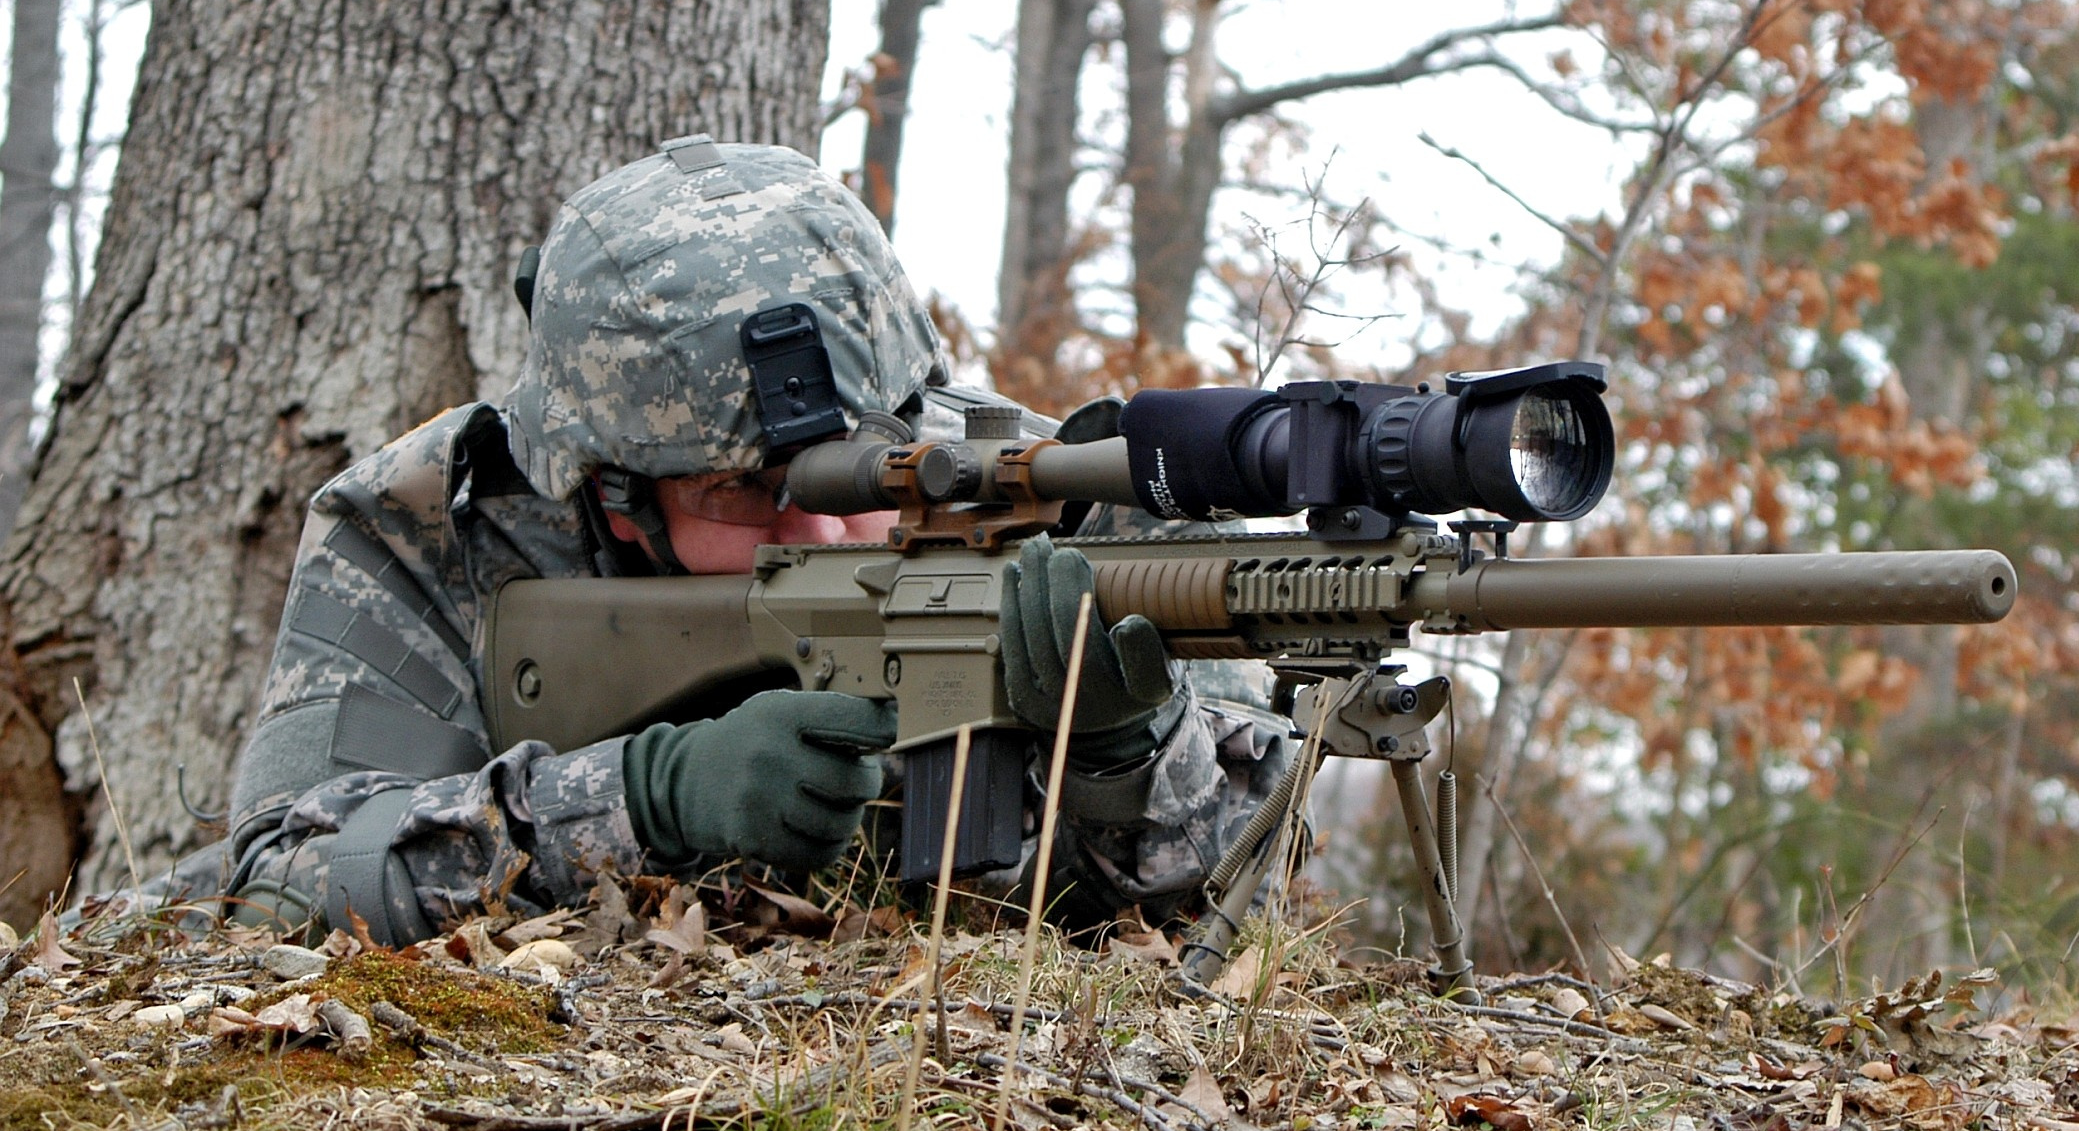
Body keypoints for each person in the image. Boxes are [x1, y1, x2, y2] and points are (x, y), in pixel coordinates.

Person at [192, 134, 1286, 943]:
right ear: (615, 492)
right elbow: (282, 884)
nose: (824, 530)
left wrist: (1128, 753)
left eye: (871, 466)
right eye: (742, 494)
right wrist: (647, 799)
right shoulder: (436, 522)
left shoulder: (1069, 499)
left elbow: (1255, 893)